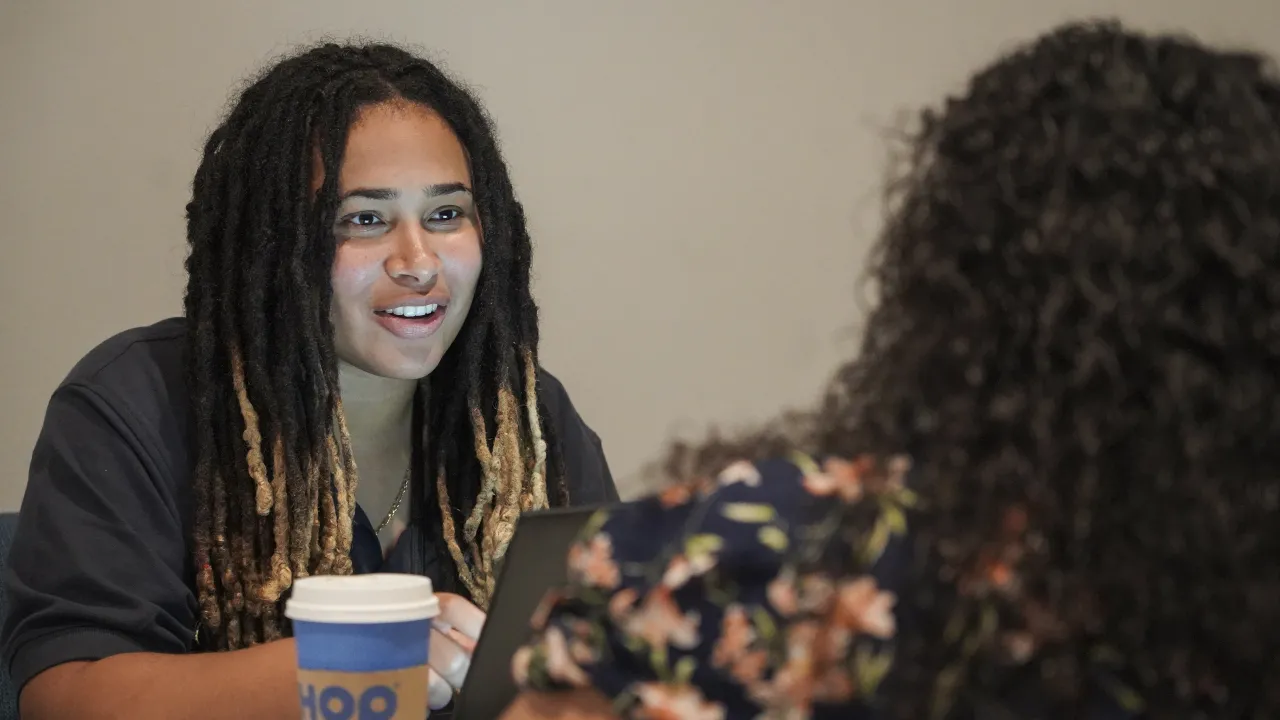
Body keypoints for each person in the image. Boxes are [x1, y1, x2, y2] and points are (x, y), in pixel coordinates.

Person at [500, 20, 1280, 719]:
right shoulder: (1227, 607)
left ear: (946, 278)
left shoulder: (746, 562)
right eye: (369, 217)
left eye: (447, 213)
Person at [2, 42, 617, 719]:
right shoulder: (134, 403)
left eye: (446, 214)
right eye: (364, 219)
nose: (418, 262)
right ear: (278, 243)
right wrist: (351, 667)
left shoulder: (522, 419)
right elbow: (66, 697)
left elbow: (617, 657)